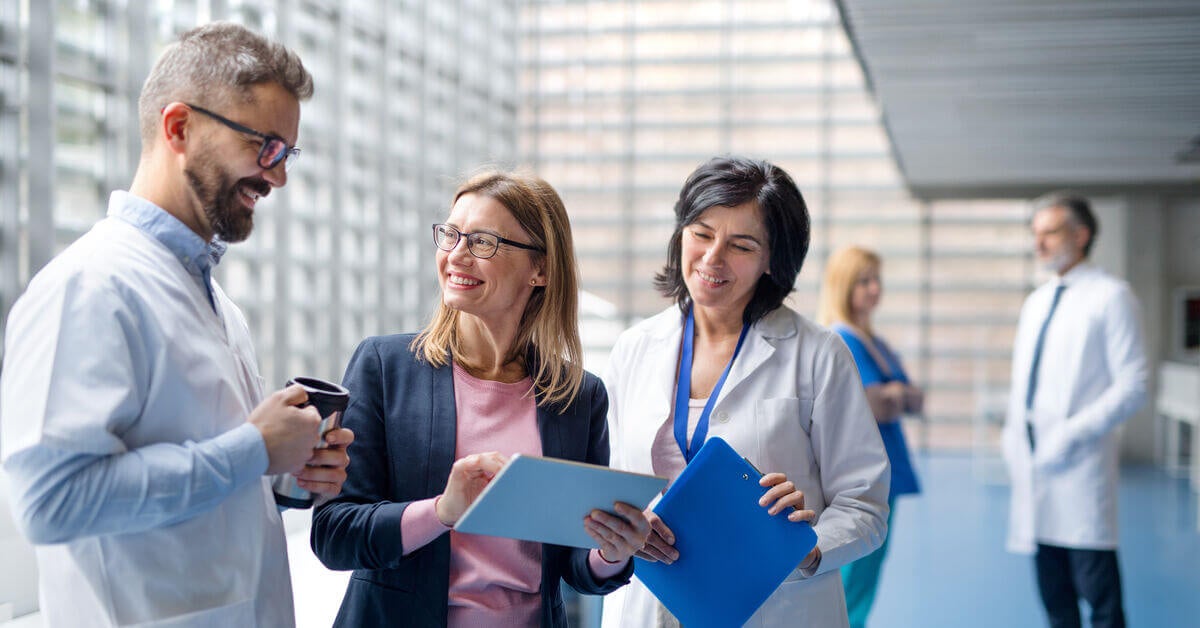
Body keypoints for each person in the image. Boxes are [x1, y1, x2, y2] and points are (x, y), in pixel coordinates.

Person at [0, 22, 354, 627]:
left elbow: (207, 473)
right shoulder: (88, 286)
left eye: (287, 153)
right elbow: (51, 503)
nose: (278, 177)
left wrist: (284, 472)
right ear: (179, 128)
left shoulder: (215, 300)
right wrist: (252, 449)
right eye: (266, 146)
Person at [310, 170, 651, 627]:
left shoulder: (578, 397)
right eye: (451, 235)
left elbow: (575, 567)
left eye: (483, 242)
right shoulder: (384, 366)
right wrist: (442, 511)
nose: (456, 255)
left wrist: (610, 551)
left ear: (541, 269)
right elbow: (334, 535)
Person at [600, 156, 891, 628]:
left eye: (741, 245)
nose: (713, 257)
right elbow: (606, 481)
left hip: (775, 606)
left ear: (773, 259)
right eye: (701, 233)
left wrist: (807, 545)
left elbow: (867, 504)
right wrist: (627, 525)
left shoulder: (818, 354)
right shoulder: (635, 347)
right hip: (648, 603)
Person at [1002, 193, 1147, 628]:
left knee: (1100, 601)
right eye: (1035, 234)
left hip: (1080, 470)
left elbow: (1134, 385)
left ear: (1081, 236)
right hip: (1032, 469)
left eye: (1049, 232)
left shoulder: (1112, 297)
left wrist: (1070, 434)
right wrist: (1012, 441)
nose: (1039, 243)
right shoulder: (1037, 302)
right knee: (1055, 601)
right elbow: (1023, 386)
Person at [816, 245, 923, 628]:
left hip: (885, 470)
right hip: (859, 473)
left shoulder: (874, 341)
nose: (874, 289)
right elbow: (875, 406)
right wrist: (893, 394)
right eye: (864, 280)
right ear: (843, 286)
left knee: (868, 569)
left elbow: (912, 399)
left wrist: (893, 395)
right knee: (854, 574)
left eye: (877, 280)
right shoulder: (841, 339)